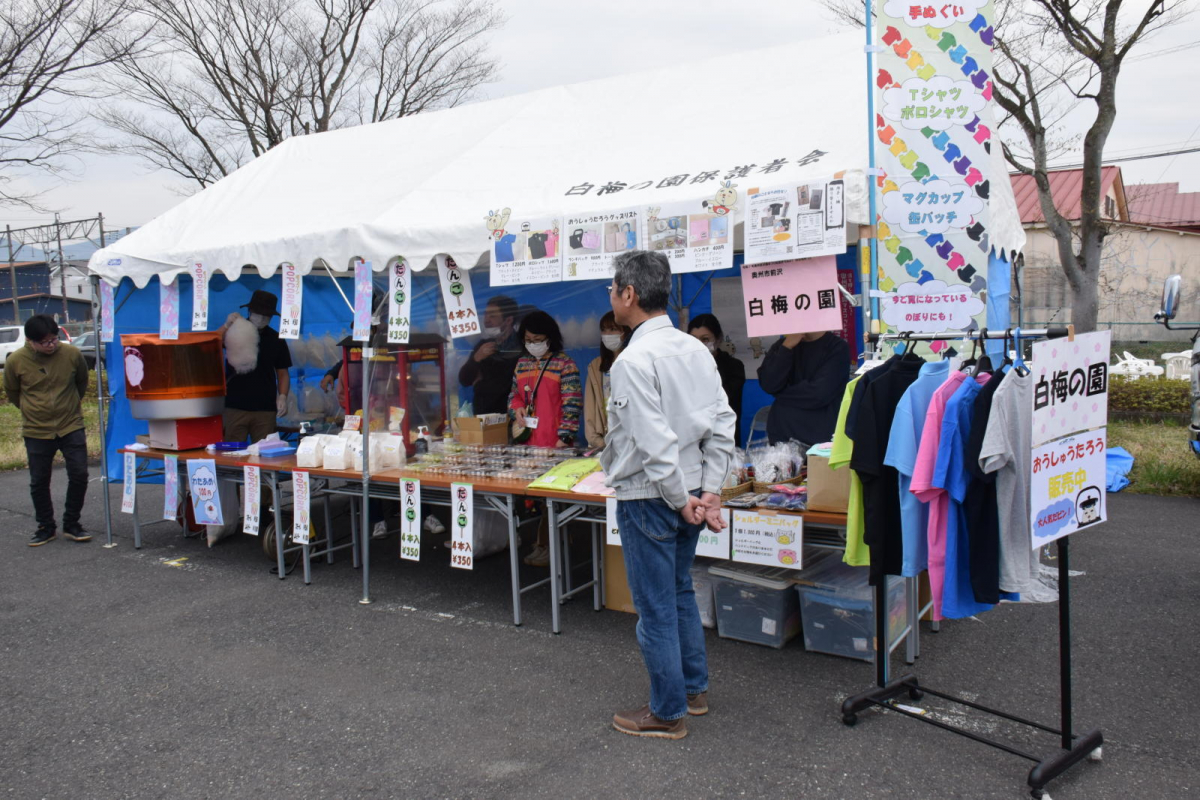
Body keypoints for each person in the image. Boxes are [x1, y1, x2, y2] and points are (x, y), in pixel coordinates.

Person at [602, 250, 737, 740]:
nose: (612, 299)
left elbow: (653, 443)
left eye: (614, 290)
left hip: (651, 495)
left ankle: (667, 711)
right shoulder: (695, 349)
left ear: (629, 294)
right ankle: (692, 691)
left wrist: (684, 498)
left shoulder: (633, 360)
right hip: (691, 490)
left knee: (656, 606)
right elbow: (722, 423)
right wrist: (709, 492)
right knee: (679, 592)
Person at [4, 314, 91, 546]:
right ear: (30, 341)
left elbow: (82, 381)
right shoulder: (16, 360)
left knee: (80, 474)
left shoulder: (71, 354)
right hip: (36, 429)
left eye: (54, 339)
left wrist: (71, 404)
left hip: (71, 424)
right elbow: (13, 392)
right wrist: (31, 409)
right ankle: (46, 526)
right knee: (39, 480)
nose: (51, 345)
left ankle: (72, 523)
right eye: (45, 342)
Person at [509, 310, 582, 568]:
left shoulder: (565, 364)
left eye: (538, 338)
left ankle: (550, 546)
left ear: (550, 338)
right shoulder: (521, 364)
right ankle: (547, 544)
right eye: (528, 339)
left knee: (552, 500)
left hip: (554, 443)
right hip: (528, 441)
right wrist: (515, 408)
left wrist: (565, 436)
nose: (533, 344)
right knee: (537, 500)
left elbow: (572, 403)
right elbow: (514, 397)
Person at [219, 290, 292, 443]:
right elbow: (212, 344)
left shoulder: (276, 339)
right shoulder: (234, 331)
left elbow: (283, 372)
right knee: (232, 453)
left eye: (266, 315)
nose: (261, 318)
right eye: (258, 313)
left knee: (265, 455)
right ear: (250, 311)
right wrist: (226, 326)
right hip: (235, 405)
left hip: (265, 408)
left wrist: (283, 396)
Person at [757, 330, 850, 446]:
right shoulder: (782, 345)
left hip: (819, 437)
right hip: (781, 435)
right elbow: (768, 384)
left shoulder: (837, 347)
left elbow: (819, 394)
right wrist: (786, 348)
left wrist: (780, 393)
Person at [459, 295, 523, 415]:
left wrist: (484, 384)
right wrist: (476, 359)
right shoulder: (483, 345)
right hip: (484, 416)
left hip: (514, 415)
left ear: (508, 320)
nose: (486, 320)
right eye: (486, 315)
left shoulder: (522, 346)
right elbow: (464, 380)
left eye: (492, 316)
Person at [687, 313, 745, 438]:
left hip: (723, 434)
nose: (699, 344)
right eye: (693, 339)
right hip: (692, 435)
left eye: (705, 339)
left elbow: (723, 398)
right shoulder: (683, 366)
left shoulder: (734, 366)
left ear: (718, 339)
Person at [584, 311, 630, 449]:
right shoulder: (596, 366)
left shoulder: (634, 362)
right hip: (606, 440)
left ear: (626, 332)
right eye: (604, 330)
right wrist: (597, 442)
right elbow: (590, 408)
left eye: (613, 329)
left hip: (631, 439)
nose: (608, 334)